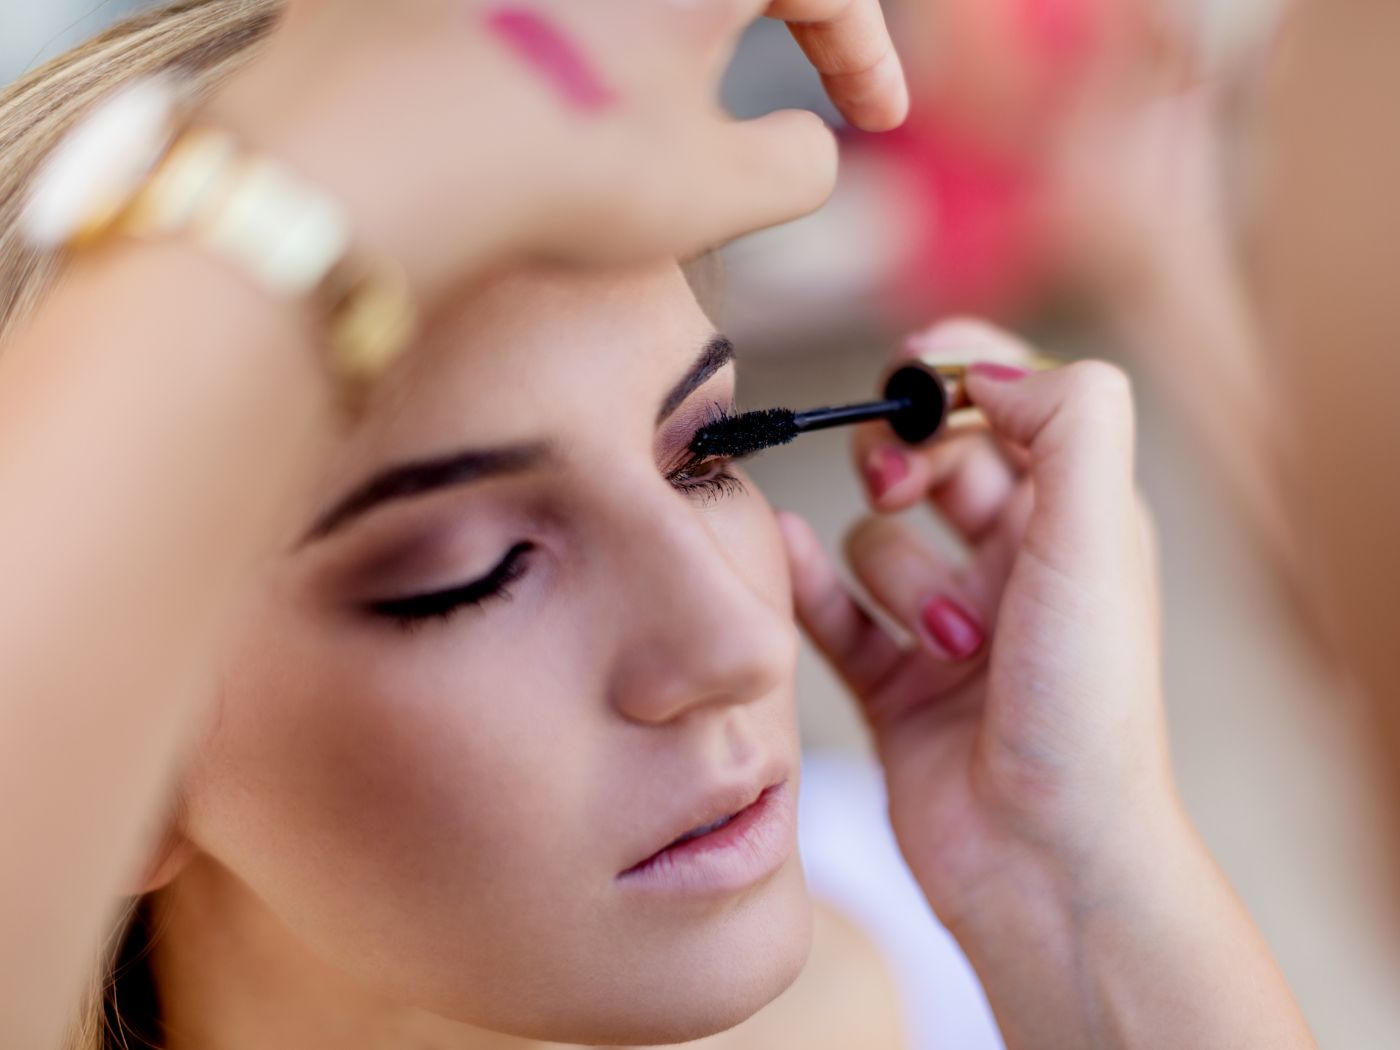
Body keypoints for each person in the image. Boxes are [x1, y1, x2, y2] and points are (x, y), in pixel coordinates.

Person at [0, 2, 1313, 1049]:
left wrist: (1072, 884)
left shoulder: (947, 910)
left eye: (703, 458)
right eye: (474, 572)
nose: (740, 646)